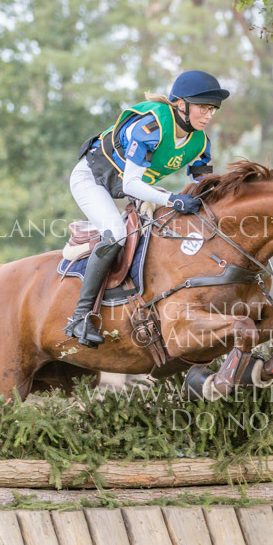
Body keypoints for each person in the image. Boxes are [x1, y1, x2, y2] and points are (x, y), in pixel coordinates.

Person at [64, 69, 230, 348]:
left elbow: (204, 186)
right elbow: (131, 183)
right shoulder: (151, 127)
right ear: (181, 104)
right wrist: (173, 199)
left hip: (133, 187)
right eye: (203, 107)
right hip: (92, 178)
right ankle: (80, 317)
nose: (208, 115)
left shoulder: (200, 143)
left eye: (212, 109)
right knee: (116, 233)